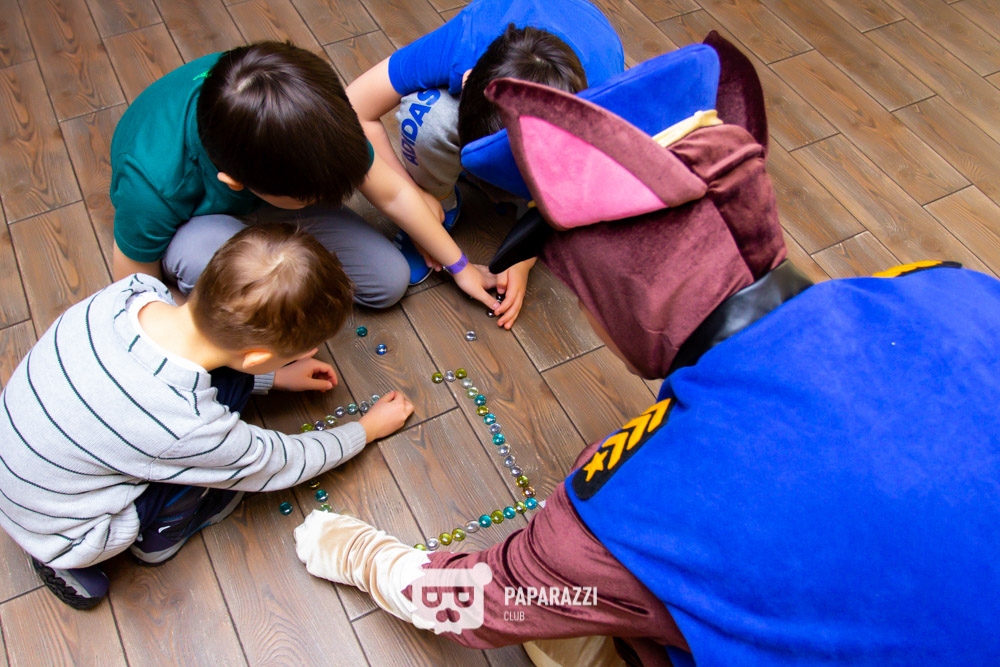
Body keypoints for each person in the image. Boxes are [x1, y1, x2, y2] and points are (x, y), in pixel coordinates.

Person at [294, 37, 1000, 666]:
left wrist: (357, 552)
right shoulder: (951, 285)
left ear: (616, 294)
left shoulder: (621, 512)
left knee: (594, 636)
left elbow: (475, 599)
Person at [0, 224, 415, 610]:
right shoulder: (188, 425)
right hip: (73, 531)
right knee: (215, 470)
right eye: (296, 353)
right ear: (256, 356)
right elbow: (278, 461)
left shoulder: (133, 291)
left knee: (222, 394)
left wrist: (274, 376)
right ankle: (156, 538)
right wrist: (365, 430)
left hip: (23, 459)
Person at [110, 41, 497, 312]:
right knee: (203, 261)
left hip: (269, 189)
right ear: (234, 181)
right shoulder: (151, 183)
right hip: (197, 224)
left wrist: (460, 266)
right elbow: (136, 295)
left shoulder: (312, 117)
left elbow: (393, 193)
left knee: (388, 281)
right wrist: (244, 354)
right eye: (313, 196)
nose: (327, 198)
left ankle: (271, 251)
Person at [346, 0, 624, 327]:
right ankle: (441, 199)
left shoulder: (606, 110)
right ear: (467, 81)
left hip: (583, 125)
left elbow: (580, 195)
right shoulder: (467, 38)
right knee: (427, 116)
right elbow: (350, 109)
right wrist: (414, 201)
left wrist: (524, 254)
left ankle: (524, 197)